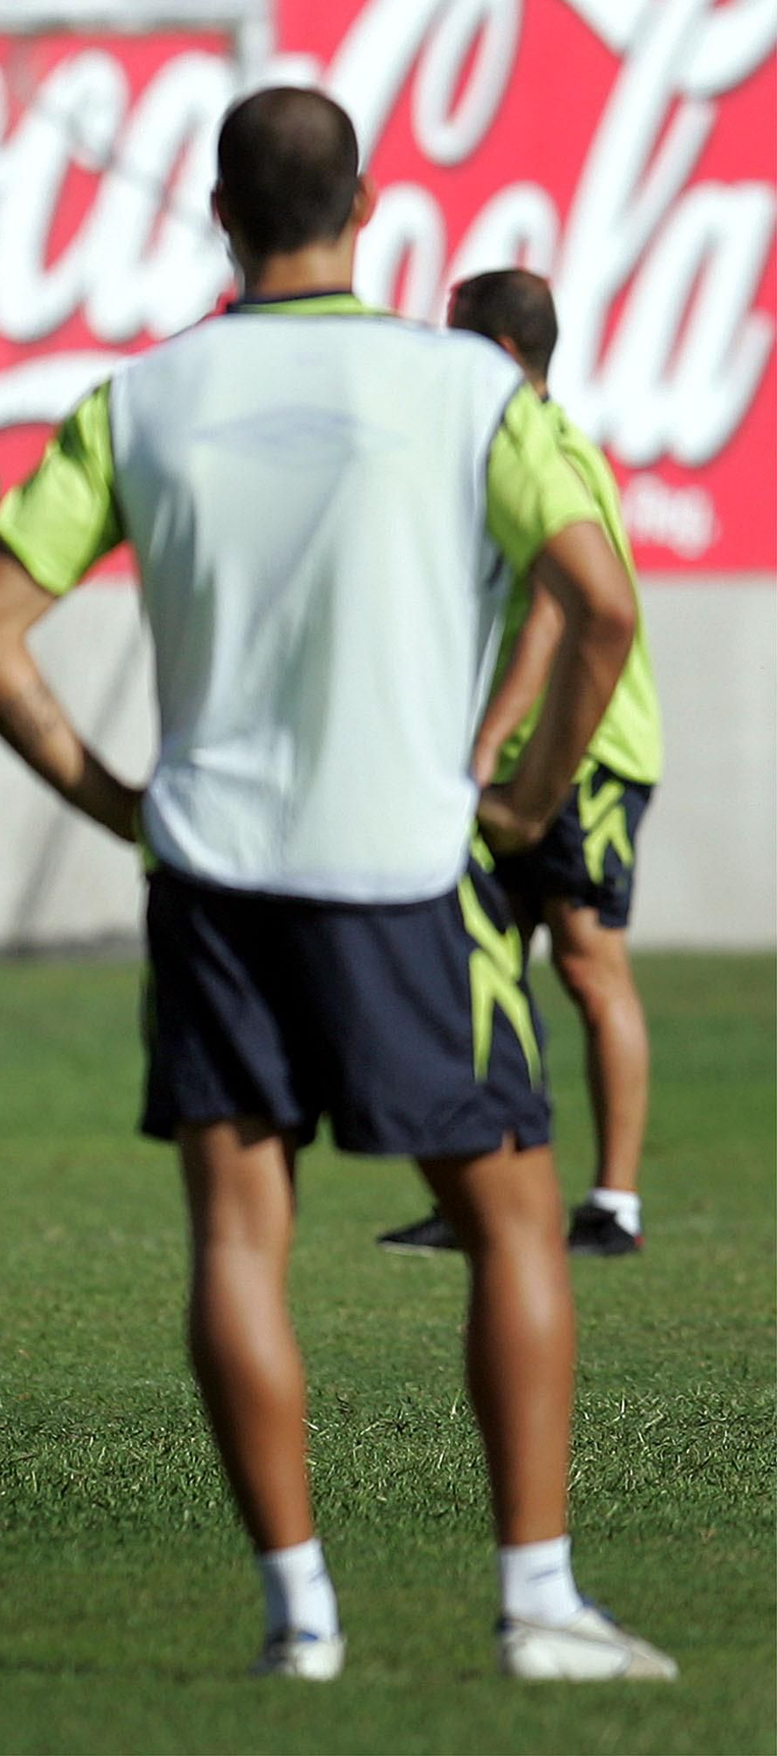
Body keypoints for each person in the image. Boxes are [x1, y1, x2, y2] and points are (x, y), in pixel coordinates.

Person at [0, 88, 676, 1680]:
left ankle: (302, 1620)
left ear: (218, 212)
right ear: (365, 208)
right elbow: (601, 607)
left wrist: (121, 801)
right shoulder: (469, 385)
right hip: (411, 870)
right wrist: (532, 796)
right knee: (518, 1224)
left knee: (235, 1240)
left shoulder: (141, 398)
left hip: (215, 874)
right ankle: (539, 1605)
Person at [379, 270, 662, 1260]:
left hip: (582, 749)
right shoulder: (510, 443)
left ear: (495, 355)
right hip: (520, 745)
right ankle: (485, 1183)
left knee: (587, 962)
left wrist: (488, 741)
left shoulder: (537, 441)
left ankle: (612, 1205)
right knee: (480, 964)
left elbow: (561, 605)